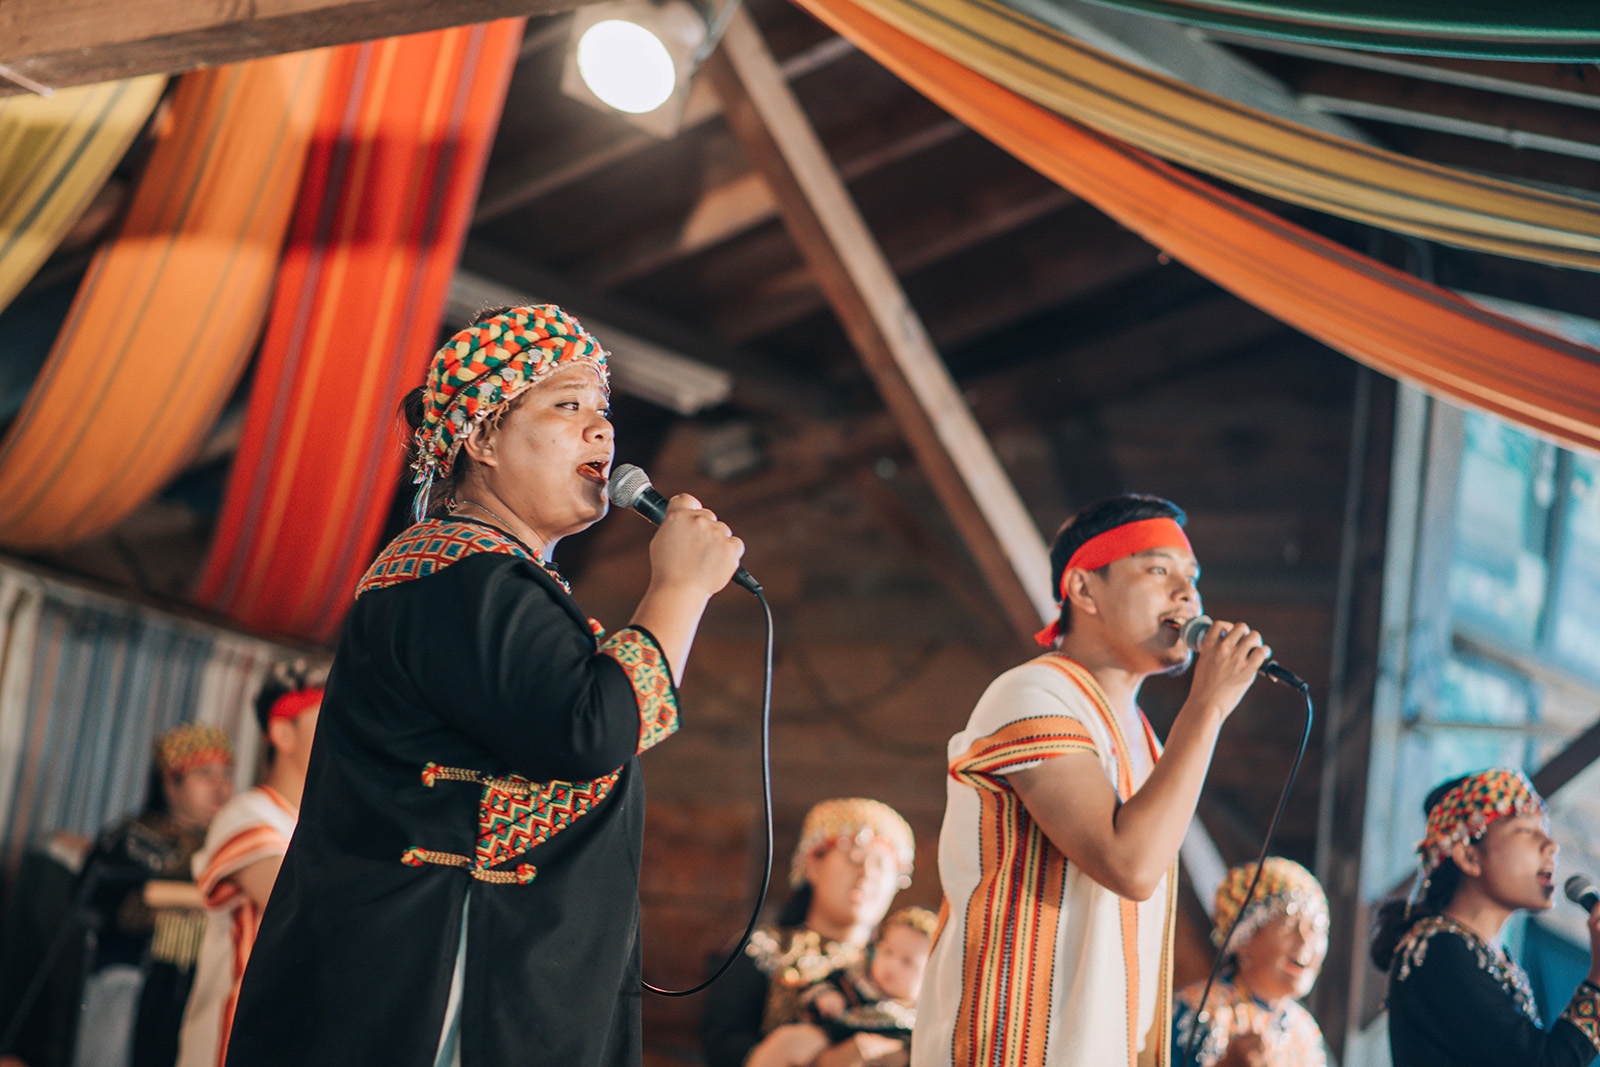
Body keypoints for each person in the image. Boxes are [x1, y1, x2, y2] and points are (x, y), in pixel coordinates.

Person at [223, 304, 743, 1067]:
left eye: (603, 412)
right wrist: (681, 589)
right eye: (567, 405)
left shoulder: (481, 576)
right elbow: (589, 727)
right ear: (482, 435)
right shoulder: (459, 571)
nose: (601, 430)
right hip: (438, 986)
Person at [912, 494, 1271, 1067]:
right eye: (1158, 570)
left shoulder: (1148, 738)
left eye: (1192, 579)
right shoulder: (1031, 693)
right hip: (1012, 1045)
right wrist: (1207, 708)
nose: (1187, 595)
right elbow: (1128, 865)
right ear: (1083, 590)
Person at [1371, 769, 1600, 1067]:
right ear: (1469, 857)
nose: (1551, 846)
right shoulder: (1439, 951)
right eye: (1527, 831)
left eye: (1544, 830)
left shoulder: (1487, 956)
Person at [175, 664, 323, 1067]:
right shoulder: (248, 814)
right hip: (232, 1043)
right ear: (283, 733)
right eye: (328, 716)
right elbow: (305, 905)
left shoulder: (317, 828)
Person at [702, 798, 916, 1067]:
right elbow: (723, 1043)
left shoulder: (906, 964)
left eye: (881, 866)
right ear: (813, 864)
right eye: (854, 858)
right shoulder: (764, 949)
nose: (866, 875)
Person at [79, 724, 234, 1067]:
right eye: (205, 774)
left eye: (226, 775)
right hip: (131, 982)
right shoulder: (131, 840)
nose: (221, 787)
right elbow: (100, 907)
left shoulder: (232, 847)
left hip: (194, 991)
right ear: (171, 782)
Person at [1172, 857, 1330, 1067]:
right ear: (1243, 940)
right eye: (1289, 925)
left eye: (1316, 927)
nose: (1306, 941)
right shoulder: (1198, 1011)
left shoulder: (1305, 1031)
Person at [746, 905, 937, 1067]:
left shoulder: (918, 1018)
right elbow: (820, 985)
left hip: (877, 1050)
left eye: (907, 961)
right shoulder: (854, 979)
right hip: (830, 1036)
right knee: (790, 1040)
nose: (892, 965)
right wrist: (826, 995)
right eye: (887, 952)